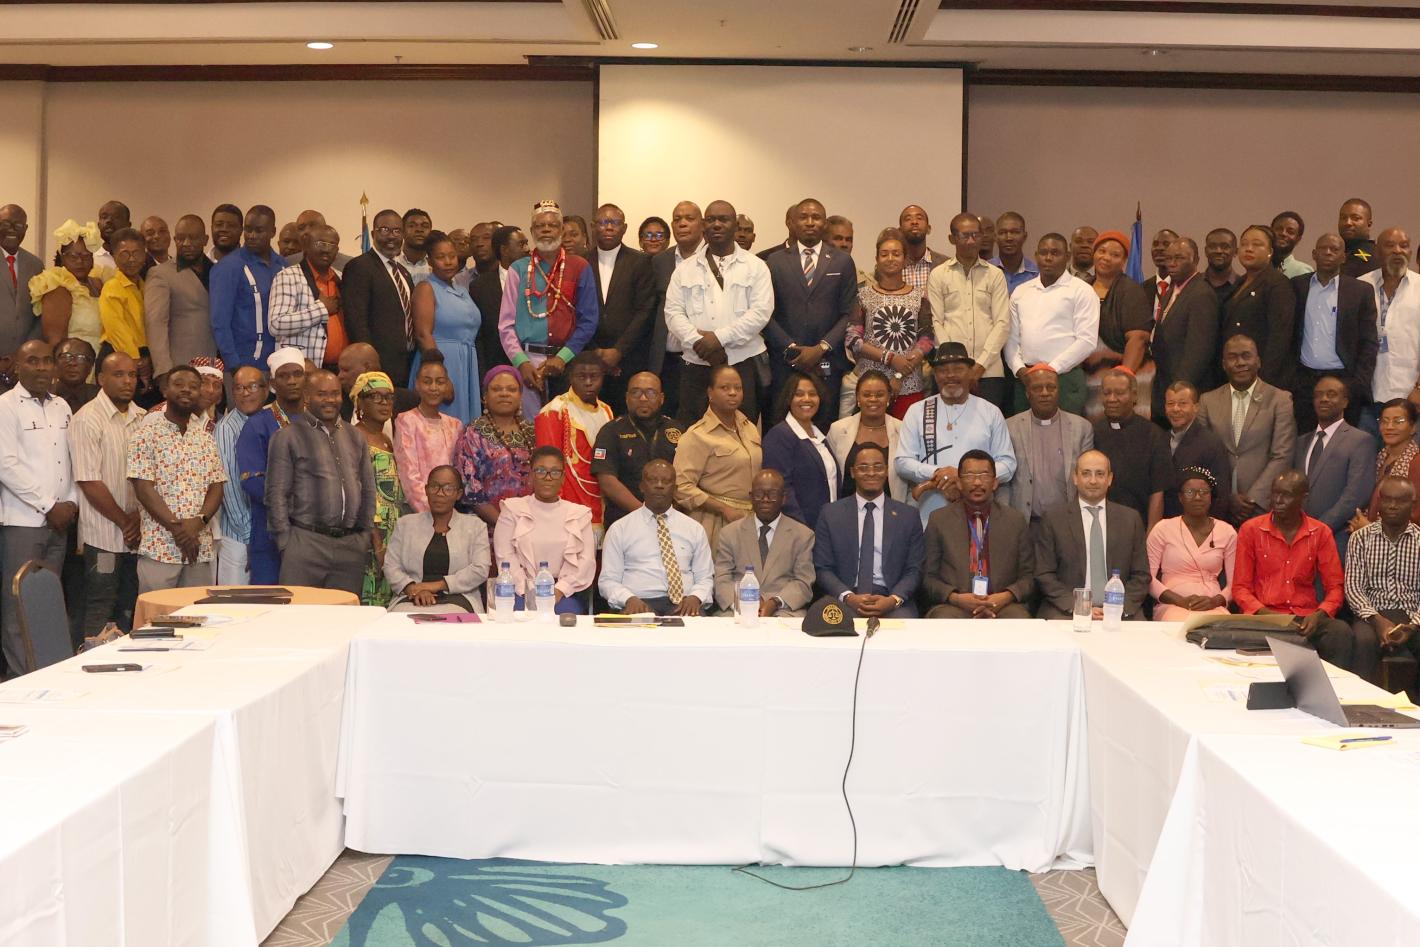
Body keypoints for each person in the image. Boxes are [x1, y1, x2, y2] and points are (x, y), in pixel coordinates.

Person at [0, 341, 77, 672]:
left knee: (48, 601)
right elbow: (6, 465)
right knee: (18, 603)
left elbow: (71, 459)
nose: (42, 367)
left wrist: (71, 501)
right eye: (33, 361)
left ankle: (50, 672)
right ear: (18, 366)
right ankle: (23, 675)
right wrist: (49, 505)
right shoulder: (6, 406)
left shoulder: (62, 406)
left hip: (60, 521)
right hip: (23, 521)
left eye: (47, 360)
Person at [265, 370, 375, 595]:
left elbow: (368, 489)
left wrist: (363, 535)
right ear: (307, 396)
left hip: (350, 546)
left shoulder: (355, 436)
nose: (330, 400)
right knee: (299, 612)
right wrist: (286, 542)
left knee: (344, 613)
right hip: (305, 543)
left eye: (335, 394)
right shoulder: (288, 436)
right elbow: (276, 494)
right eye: (322, 394)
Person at [665, 198, 774, 425]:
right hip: (696, 363)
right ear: (703, 225)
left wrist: (719, 339)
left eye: (723, 220)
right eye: (711, 220)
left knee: (741, 429)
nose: (717, 225)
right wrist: (699, 342)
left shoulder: (756, 266)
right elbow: (673, 313)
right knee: (693, 430)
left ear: (735, 225)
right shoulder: (684, 269)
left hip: (743, 361)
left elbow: (761, 312)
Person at [1233, 471, 1356, 670]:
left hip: (1305, 617)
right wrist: (1266, 614)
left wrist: (1319, 614)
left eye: (1287, 495)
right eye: (1275, 493)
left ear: (1303, 498)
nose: (1278, 500)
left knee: (1340, 632)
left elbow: (1335, 587)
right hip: (1263, 615)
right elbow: (1240, 588)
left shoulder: (1320, 532)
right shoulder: (1251, 529)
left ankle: (1335, 686)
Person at [126, 364, 224, 593]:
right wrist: (180, 530)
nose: (186, 390)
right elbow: (144, 489)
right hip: (160, 548)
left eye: (193, 386)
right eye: (179, 384)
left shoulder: (205, 438)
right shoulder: (145, 434)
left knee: (196, 613)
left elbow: (217, 486)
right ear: (165, 390)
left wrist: (198, 523)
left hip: (198, 548)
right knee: (156, 613)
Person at [896, 342, 1016, 525]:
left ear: (970, 373)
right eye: (943, 370)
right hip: (929, 514)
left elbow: (1008, 464)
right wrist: (939, 474)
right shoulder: (918, 411)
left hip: (980, 514)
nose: (950, 375)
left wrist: (967, 478)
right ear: (935, 375)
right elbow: (902, 462)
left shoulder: (990, 412)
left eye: (958, 369)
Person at [499, 200, 599, 418]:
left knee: (567, 426)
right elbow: (505, 325)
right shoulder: (518, 269)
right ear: (532, 231)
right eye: (540, 225)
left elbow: (589, 321)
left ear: (561, 230)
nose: (546, 230)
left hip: (568, 360)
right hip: (527, 362)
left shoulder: (580, 267)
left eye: (552, 225)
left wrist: (562, 357)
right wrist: (521, 363)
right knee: (531, 427)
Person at [765, 198, 857, 429]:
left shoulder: (843, 261)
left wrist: (822, 347)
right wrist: (791, 348)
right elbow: (765, 313)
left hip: (827, 361)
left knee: (825, 429)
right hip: (786, 362)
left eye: (816, 217)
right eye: (803, 217)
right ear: (792, 222)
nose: (809, 222)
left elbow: (848, 313)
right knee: (782, 428)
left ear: (824, 223)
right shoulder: (775, 261)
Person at [70, 349, 143, 635]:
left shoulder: (143, 418)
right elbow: (88, 480)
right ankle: (92, 661)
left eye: (132, 374)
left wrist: (138, 518)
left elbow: (150, 477)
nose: (127, 381)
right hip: (103, 535)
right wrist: (125, 522)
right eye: (119, 374)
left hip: (138, 534)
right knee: (101, 606)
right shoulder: (87, 419)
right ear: (100, 378)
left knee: (129, 607)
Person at [1034, 450, 1150, 620]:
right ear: (1075, 478)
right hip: (1066, 608)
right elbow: (1044, 574)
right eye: (1086, 473)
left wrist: (1116, 608)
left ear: (1110, 479)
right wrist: (1078, 605)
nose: (1093, 481)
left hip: (1119, 609)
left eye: (1100, 474)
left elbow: (1141, 575)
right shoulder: (1053, 519)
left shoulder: (1130, 519)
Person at [813, 442, 923, 618]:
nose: (871, 473)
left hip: (892, 600)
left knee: (903, 626)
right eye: (863, 468)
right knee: (833, 625)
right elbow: (822, 567)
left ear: (886, 471)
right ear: (852, 472)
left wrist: (893, 600)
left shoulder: (908, 516)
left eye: (878, 467)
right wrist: (848, 597)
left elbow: (915, 569)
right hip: (845, 598)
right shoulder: (830, 514)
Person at [921, 449, 1034, 619]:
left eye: (984, 476)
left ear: (995, 482)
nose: (977, 482)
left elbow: (1028, 576)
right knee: (944, 620)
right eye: (969, 476)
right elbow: (927, 577)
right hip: (955, 605)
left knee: (1020, 620)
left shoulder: (1015, 520)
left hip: (1002, 605)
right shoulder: (939, 520)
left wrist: (1006, 596)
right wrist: (956, 598)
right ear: (959, 483)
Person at [1198, 334, 1296, 525]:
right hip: (1219, 506)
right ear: (1224, 364)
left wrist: (1253, 499)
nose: (1240, 362)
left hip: (1263, 507)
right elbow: (1203, 455)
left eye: (1246, 356)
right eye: (1233, 357)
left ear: (1258, 361)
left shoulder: (1280, 400)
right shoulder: (1207, 401)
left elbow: (1282, 455)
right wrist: (1227, 496)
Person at [600, 458, 713, 616]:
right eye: (653, 480)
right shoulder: (620, 529)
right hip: (639, 602)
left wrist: (696, 597)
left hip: (684, 604)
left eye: (666, 481)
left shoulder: (694, 529)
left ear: (675, 489)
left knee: (697, 628)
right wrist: (628, 599)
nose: (659, 485)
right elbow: (608, 580)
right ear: (641, 486)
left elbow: (705, 577)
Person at [1290, 233, 1378, 433]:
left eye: (1335, 249)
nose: (1328, 253)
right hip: (1305, 382)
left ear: (1344, 257)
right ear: (1314, 254)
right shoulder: (1297, 286)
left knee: (1343, 442)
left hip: (1344, 380)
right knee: (1305, 439)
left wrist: (1357, 383)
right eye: (1323, 248)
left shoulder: (1360, 291)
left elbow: (1369, 341)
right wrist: (1293, 380)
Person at [1003, 233, 1098, 415]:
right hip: (1026, 378)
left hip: (1065, 377)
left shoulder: (1082, 291)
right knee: (1024, 429)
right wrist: (1019, 369)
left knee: (1068, 430)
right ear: (1036, 255)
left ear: (1067, 256)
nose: (1048, 258)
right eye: (1043, 253)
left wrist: (1050, 370)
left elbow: (1087, 341)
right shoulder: (1021, 292)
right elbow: (1011, 339)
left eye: (1055, 253)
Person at [493, 446, 596, 613]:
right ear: (531, 475)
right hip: (520, 591)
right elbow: (505, 555)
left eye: (555, 472)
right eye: (541, 471)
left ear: (563, 477)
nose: (548, 478)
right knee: (518, 616)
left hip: (564, 593)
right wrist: (527, 591)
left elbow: (586, 561)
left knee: (565, 616)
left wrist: (560, 590)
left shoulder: (579, 515)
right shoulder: (512, 509)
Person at [236, 346, 306, 583]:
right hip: (270, 531)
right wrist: (298, 500)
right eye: (284, 376)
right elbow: (252, 481)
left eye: (297, 374)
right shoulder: (257, 424)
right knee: (269, 597)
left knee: (311, 599)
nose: (292, 381)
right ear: (273, 384)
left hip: (314, 533)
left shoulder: (318, 421)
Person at [926, 213, 1010, 411]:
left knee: (988, 425)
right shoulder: (938, 274)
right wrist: (957, 365)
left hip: (989, 371)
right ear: (952, 239)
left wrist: (980, 365)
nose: (972, 241)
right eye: (965, 235)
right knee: (949, 424)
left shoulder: (995, 274)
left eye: (976, 235)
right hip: (949, 373)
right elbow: (936, 322)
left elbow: (1002, 323)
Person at [673, 363, 762, 551]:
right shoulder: (697, 435)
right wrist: (723, 508)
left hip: (750, 518)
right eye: (725, 388)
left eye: (738, 388)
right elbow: (681, 487)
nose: (733, 393)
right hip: (713, 520)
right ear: (710, 393)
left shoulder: (750, 428)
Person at [1345, 475, 1420, 684]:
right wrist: (1377, 620)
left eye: (1400, 500)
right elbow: (1353, 588)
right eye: (1387, 499)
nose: (1393, 506)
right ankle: (1362, 700)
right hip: (1371, 614)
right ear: (1379, 502)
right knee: (1363, 641)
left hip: (1412, 614)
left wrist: (1414, 625)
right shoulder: (1360, 538)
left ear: (1413, 505)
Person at [384, 466, 490, 613]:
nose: (440, 493)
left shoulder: (475, 526)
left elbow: (480, 569)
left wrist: (436, 586)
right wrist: (412, 588)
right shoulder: (405, 524)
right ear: (426, 490)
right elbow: (391, 566)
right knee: (400, 619)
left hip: (459, 597)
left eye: (448, 488)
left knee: (450, 620)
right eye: (434, 487)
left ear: (458, 494)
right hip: (411, 596)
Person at [711, 468, 815, 617]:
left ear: (784, 498)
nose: (765, 499)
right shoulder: (729, 533)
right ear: (751, 497)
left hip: (783, 609)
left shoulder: (803, 535)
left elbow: (803, 582)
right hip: (739, 607)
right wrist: (745, 603)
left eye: (772, 494)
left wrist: (775, 602)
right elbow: (722, 579)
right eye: (759, 494)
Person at [852, 227, 932, 418]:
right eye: (884, 254)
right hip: (871, 387)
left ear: (905, 259)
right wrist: (890, 358)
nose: (890, 259)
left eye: (896, 254)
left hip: (909, 384)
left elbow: (927, 339)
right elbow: (853, 340)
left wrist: (900, 374)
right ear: (876, 259)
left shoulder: (919, 296)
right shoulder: (862, 295)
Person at [533, 351, 613, 540]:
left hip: (601, 501)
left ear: (602, 378)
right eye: (581, 377)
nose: (588, 382)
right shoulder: (554, 411)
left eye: (594, 376)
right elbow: (547, 468)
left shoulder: (606, 411)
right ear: (570, 378)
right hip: (567, 505)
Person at [583, 203, 654, 411]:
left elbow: (645, 311)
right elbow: (576, 310)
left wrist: (618, 351)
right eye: (603, 222)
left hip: (629, 359)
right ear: (593, 226)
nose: (609, 227)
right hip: (590, 360)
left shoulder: (641, 261)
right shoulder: (581, 262)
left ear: (624, 228)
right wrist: (596, 351)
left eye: (615, 222)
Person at [454, 365, 535, 545]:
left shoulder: (533, 431)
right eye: (497, 389)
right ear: (484, 397)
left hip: (531, 530)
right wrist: (506, 527)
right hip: (485, 531)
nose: (504, 394)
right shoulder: (473, 433)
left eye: (511, 389)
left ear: (520, 396)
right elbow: (470, 490)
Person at [1003, 364, 1093, 524]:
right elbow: (1004, 481)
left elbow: (1087, 479)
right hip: (1025, 523)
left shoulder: (1082, 428)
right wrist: (1006, 520)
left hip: (1068, 523)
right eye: (1037, 388)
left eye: (1051, 387)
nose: (1045, 393)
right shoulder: (1009, 427)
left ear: (1059, 391)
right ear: (1027, 393)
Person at [590, 371, 680, 528]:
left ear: (661, 398)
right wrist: (644, 513)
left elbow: (687, 477)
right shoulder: (611, 431)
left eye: (650, 393)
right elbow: (607, 480)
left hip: (671, 519)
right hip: (624, 519)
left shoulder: (677, 430)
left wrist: (671, 514)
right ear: (626, 397)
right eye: (636, 392)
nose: (643, 398)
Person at [408, 230, 482, 423]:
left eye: (452, 256)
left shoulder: (461, 289)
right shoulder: (426, 288)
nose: (448, 262)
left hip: (466, 362)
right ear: (430, 261)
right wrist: (441, 376)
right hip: (441, 362)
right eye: (441, 257)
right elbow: (423, 334)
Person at [1147, 467, 1238, 622]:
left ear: (1211, 497)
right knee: (1179, 626)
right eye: (1190, 492)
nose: (1197, 497)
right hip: (1172, 605)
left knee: (1225, 629)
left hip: (1213, 606)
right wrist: (1180, 601)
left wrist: (1215, 601)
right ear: (1180, 497)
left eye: (1204, 492)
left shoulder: (1227, 532)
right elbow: (1147, 578)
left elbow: (1235, 583)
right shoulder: (1162, 529)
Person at [1083, 231, 1152, 420]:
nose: (1106, 258)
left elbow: (1138, 338)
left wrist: (1124, 376)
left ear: (1123, 261)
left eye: (1115, 255)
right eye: (1102, 251)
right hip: (1090, 373)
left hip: (1127, 370)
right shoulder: (1082, 287)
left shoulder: (1131, 290)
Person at [342, 208, 415, 386]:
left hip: (407, 361)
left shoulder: (403, 272)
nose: (392, 236)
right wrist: (369, 361)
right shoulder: (360, 266)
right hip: (378, 363)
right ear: (373, 234)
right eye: (385, 230)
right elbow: (356, 320)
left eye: (397, 231)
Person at [1093, 368, 1173, 532]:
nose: (1112, 399)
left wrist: (1151, 533)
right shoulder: (1093, 432)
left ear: (1134, 396)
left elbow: (1158, 492)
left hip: (1139, 526)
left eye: (1119, 393)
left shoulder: (1154, 434)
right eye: (1107, 393)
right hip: (1099, 525)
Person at [210, 205, 285, 379]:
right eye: (248, 229)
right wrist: (234, 365)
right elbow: (219, 322)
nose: (251, 236)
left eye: (259, 231)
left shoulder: (283, 265)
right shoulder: (228, 267)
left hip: (280, 365)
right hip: (243, 365)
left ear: (273, 232)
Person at [1149, 237, 1219, 422]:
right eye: (1169, 258)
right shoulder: (1172, 289)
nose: (1172, 263)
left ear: (1195, 260)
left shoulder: (1202, 293)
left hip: (1186, 390)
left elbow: (1199, 350)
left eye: (1179, 258)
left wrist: (1179, 390)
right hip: (1165, 383)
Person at [351, 370, 406, 606]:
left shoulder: (386, 438)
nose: (384, 402)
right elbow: (359, 492)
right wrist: (377, 541)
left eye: (389, 397)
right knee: (369, 595)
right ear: (360, 403)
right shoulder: (355, 437)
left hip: (393, 526)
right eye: (375, 396)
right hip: (370, 529)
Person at [647, 201, 705, 420]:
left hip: (703, 358)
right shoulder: (660, 261)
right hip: (667, 361)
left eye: (689, 218)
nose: (682, 224)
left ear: (702, 224)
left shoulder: (714, 258)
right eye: (677, 219)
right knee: (668, 424)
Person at [1358, 228, 1418, 437]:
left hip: (1411, 398)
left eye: (1404, 246)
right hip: (1368, 398)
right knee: (1366, 456)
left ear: (1411, 252)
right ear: (1377, 251)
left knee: (1409, 458)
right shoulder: (1360, 285)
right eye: (1390, 245)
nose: (1397, 251)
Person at [1221, 224, 1296, 388]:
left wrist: (1263, 381)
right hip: (1236, 374)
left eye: (1257, 244)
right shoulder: (1239, 282)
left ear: (1270, 251)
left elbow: (1279, 338)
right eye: (1244, 244)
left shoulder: (1278, 284)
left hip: (1263, 377)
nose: (1249, 249)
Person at [762, 371, 838, 530]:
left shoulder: (820, 436)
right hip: (799, 530)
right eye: (799, 394)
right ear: (788, 399)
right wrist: (803, 531)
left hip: (828, 527)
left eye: (812, 394)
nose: (807, 399)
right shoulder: (779, 436)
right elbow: (782, 489)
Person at [212, 365, 266, 584]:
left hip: (263, 533)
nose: (245, 393)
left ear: (265, 390)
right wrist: (249, 537)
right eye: (238, 388)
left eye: (252, 386)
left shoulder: (268, 421)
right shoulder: (227, 428)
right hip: (239, 537)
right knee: (235, 600)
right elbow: (229, 488)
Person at [144, 214, 216, 377]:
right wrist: (163, 370)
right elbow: (156, 324)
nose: (186, 244)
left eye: (193, 238)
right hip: (180, 368)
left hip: (216, 366)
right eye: (181, 238)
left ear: (205, 240)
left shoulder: (217, 271)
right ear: (175, 240)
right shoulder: (160, 274)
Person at [395, 352, 464, 514]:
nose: (433, 388)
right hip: (418, 509)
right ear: (417, 384)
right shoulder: (406, 420)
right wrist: (431, 511)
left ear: (447, 385)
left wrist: (448, 509)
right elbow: (409, 473)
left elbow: (458, 471)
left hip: (450, 509)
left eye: (440, 382)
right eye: (427, 382)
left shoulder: (455, 425)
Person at [269, 224, 345, 370]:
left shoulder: (340, 278)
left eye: (332, 245)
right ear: (307, 246)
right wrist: (321, 309)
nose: (326, 249)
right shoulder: (288, 276)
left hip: (340, 370)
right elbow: (276, 324)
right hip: (303, 371)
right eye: (320, 243)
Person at [827, 370, 907, 502]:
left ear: (889, 397)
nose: (873, 399)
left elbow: (910, 481)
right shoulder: (838, 429)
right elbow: (829, 475)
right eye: (866, 395)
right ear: (857, 397)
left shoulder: (903, 430)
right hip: (845, 509)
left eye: (879, 395)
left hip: (893, 510)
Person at [31, 219, 106, 354]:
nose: (80, 261)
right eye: (73, 256)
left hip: (101, 359)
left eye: (86, 256)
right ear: (62, 257)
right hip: (74, 361)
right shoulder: (58, 286)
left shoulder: (98, 284)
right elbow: (55, 342)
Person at [1162, 380, 1233, 520]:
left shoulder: (1211, 443)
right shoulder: (1160, 439)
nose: (1175, 409)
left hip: (1199, 523)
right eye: (1170, 404)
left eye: (1182, 403)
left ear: (1196, 407)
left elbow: (1221, 495)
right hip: (1165, 523)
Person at [1351, 399, 1420, 532]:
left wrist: (1369, 529)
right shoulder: (1379, 457)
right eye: (1384, 421)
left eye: (1398, 421)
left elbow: (1415, 518)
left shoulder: (1416, 463)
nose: (1389, 427)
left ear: (1413, 427)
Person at [470, 225, 527, 376]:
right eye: (521, 244)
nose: (527, 249)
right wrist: (483, 375)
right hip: (496, 367)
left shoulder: (539, 278)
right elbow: (479, 336)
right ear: (504, 250)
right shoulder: (480, 286)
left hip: (534, 363)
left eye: (526, 243)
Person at [0, 204, 43, 359]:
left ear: (25, 229)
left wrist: (24, 353)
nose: (12, 230)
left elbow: (40, 313)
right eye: (6, 224)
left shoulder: (36, 265)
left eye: (18, 225)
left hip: (23, 358)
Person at [336, 341, 417, 423]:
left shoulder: (408, 402)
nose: (339, 376)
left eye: (346, 370)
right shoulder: (339, 404)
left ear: (366, 368)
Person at [898, 205, 949, 291]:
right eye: (908, 219)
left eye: (919, 218)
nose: (914, 222)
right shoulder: (892, 265)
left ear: (928, 229)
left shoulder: (946, 264)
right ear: (900, 231)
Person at [988, 212, 1039, 295]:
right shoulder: (985, 271)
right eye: (1002, 232)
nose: (1009, 238)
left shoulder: (1037, 273)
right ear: (995, 237)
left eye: (1015, 232)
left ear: (1025, 236)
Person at [51, 338, 98, 413]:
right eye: (66, 357)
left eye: (80, 358)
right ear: (55, 364)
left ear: (90, 367)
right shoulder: (42, 394)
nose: (72, 363)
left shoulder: (101, 397)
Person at [1339, 198, 1379, 279]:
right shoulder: (1333, 255)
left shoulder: (1379, 257)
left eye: (1356, 218)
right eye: (1343, 218)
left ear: (1369, 224)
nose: (1348, 223)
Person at [1203, 228, 1239, 307]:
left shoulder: (1242, 286)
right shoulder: (1193, 284)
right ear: (1205, 251)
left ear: (1236, 252)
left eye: (1225, 247)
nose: (1218, 251)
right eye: (1212, 247)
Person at [396, 208, 433, 284]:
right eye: (412, 226)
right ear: (402, 231)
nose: (419, 229)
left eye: (425, 226)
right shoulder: (391, 262)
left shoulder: (436, 265)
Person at [1272, 211, 1314, 278]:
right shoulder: (1258, 266)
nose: (1283, 233)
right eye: (1279, 229)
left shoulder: (1302, 272)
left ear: (1298, 239)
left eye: (1290, 232)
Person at [92, 200, 131, 272]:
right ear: (98, 225)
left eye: (116, 217)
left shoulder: (137, 259)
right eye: (104, 217)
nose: (109, 221)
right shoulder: (90, 259)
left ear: (128, 225)